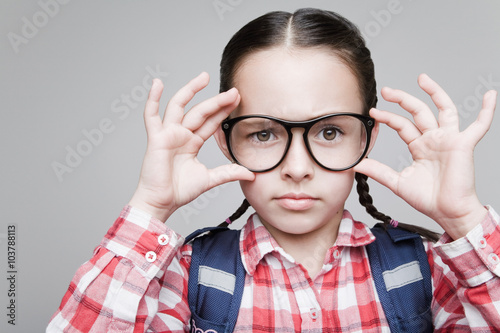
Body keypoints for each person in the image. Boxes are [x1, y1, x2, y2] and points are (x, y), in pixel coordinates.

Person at [47, 8, 500, 332]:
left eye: (328, 133)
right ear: (226, 142)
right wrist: (149, 208)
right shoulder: (188, 278)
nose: (298, 168)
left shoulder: (427, 268)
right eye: (264, 134)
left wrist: (463, 219)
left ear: (366, 138)